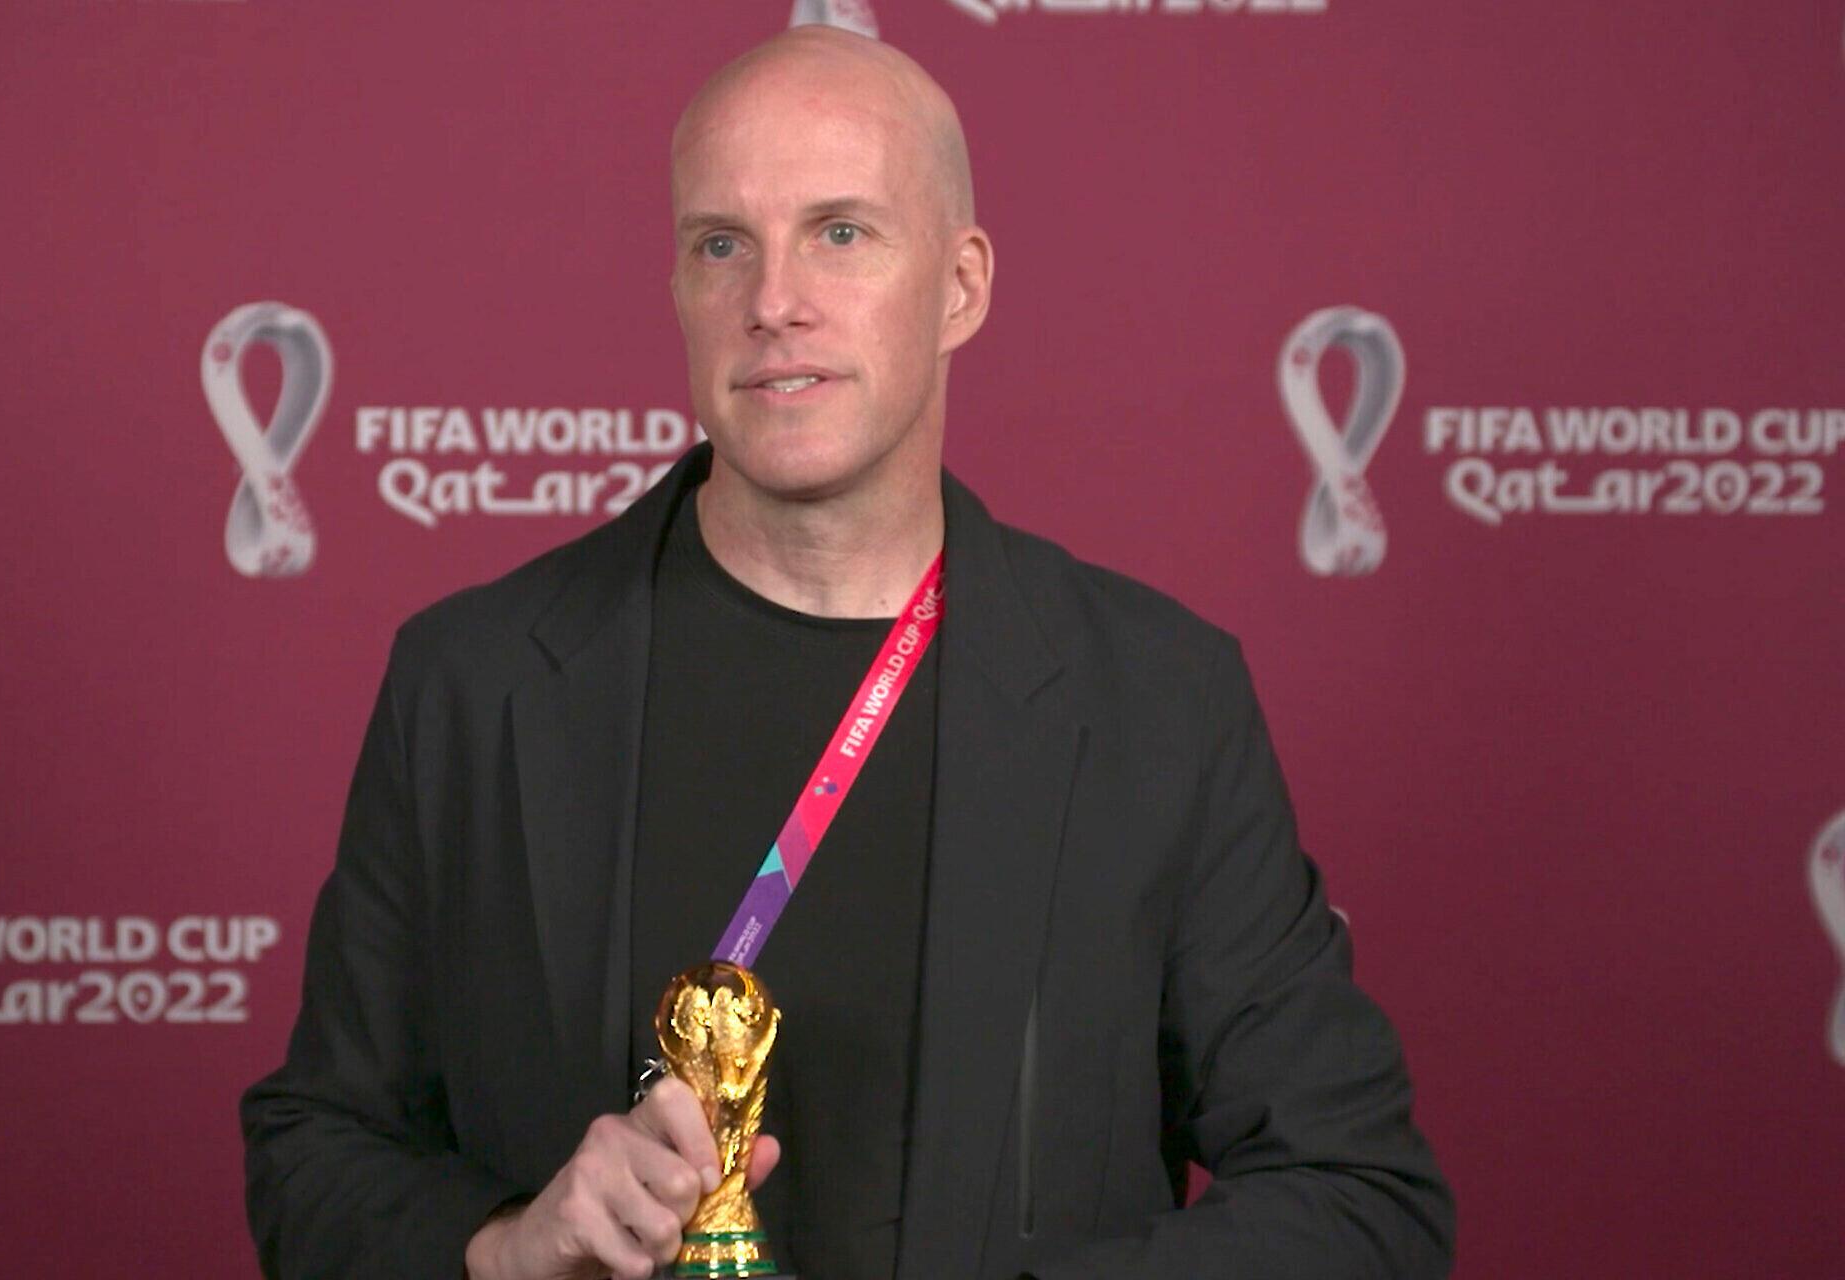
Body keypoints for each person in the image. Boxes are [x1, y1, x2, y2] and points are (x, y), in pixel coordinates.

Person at [241, 23, 1453, 1280]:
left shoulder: (1156, 701)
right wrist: (502, 1246)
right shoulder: (471, 682)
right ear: (677, 287)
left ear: (959, 287)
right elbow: (314, 1150)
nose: (773, 301)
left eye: (839, 232)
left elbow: (1357, 1194)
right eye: (722, 244)